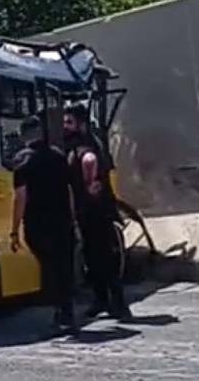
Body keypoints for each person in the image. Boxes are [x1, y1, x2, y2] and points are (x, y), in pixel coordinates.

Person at [9, 114, 78, 330]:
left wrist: (14, 229)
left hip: (38, 221)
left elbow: (21, 196)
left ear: (23, 136)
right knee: (63, 264)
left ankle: (61, 311)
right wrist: (73, 218)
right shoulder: (58, 156)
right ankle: (65, 310)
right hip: (62, 219)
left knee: (49, 265)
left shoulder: (22, 159)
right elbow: (70, 191)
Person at [64, 104, 131, 321]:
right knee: (93, 258)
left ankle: (117, 303)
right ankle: (102, 300)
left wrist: (89, 183)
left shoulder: (86, 144)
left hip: (96, 211)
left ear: (81, 123)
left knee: (104, 257)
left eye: (70, 122)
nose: (66, 127)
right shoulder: (83, 142)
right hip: (90, 211)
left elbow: (90, 161)